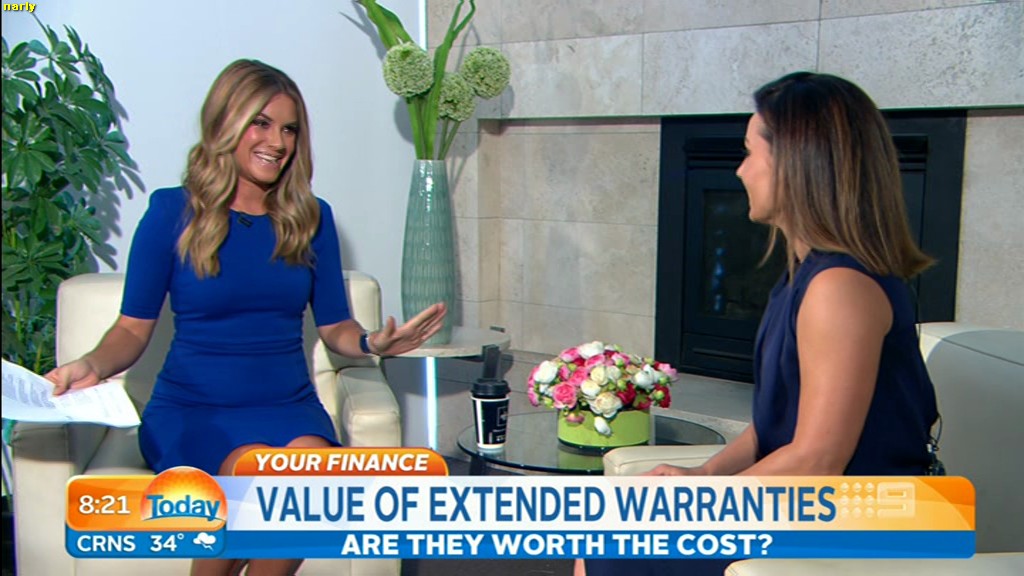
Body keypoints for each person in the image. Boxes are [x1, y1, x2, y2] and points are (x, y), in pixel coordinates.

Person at [46, 59, 447, 576]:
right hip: (195, 411)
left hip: (288, 408)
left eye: (289, 129)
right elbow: (131, 328)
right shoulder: (171, 212)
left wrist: (373, 344)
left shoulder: (312, 217)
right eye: (261, 123)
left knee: (308, 483)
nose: (277, 142)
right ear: (226, 124)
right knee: (253, 475)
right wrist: (92, 365)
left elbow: (335, 327)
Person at [580, 71, 940, 576]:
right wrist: (705, 474)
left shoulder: (839, 289)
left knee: (612, 546)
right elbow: (778, 426)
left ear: (795, 165)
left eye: (750, 153)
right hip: (816, 505)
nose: (741, 170)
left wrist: (700, 503)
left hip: (869, 518)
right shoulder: (803, 277)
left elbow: (817, 461)